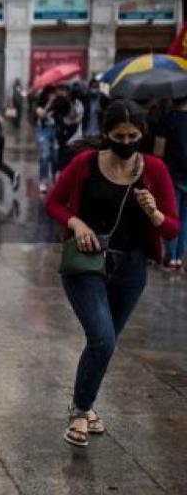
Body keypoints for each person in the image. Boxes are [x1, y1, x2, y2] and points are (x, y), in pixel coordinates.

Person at [45, 100, 180, 448]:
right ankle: (80, 411)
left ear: (142, 134)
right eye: (119, 135)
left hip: (131, 269)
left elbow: (173, 230)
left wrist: (154, 214)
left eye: (133, 135)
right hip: (86, 264)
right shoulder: (84, 164)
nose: (126, 141)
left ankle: (85, 406)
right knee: (103, 338)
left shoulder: (155, 170)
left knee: (105, 344)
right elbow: (53, 203)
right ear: (106, 134)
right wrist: (75, 224)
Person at [155, 96, 187, 271]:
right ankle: (178, 257)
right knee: (185, 218)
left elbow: (158, 151)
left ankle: (169, 256)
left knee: (172, 216)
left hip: (172, 175)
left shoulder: (167, 119)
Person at [36, 86, 60, 193]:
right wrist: (49, 103)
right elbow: (41, 115)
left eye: (54, 94)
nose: (53, 96)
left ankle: (55, 180)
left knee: (55, 157)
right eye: (50, 94)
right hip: (44, 131)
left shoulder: (58, 106)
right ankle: (43, 181)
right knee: (44, 156)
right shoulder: (40, 106)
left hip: (55, 132)